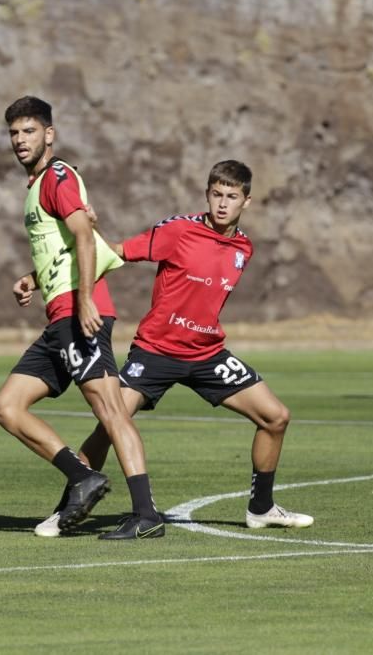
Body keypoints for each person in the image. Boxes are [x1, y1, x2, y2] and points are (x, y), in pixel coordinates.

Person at [31, 160, 314, 537]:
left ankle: (261, 509)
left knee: (276, 417)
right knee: (110, 425)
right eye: (216, 194)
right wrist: (39, 275)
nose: (223, 203)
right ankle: (64, 511)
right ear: (207, 194)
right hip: (156, 353)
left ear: (247, 201)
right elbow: (114, 252)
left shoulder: (244, 247)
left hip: (207, 355)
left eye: (232, 197)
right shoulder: (179, 230)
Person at [0, 96, 164, 540]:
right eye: (13, 132)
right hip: (59, 316)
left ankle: (146, 514)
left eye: (29, 131)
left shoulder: (58, 176)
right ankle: (81, 476)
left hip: (79, 313)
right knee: (7, 407)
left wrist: (85, 299)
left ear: (49, 134)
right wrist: (34, 277)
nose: (19, 140)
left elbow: (85, 236)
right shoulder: (36, 185)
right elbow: (65, 245)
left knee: (110, 411)